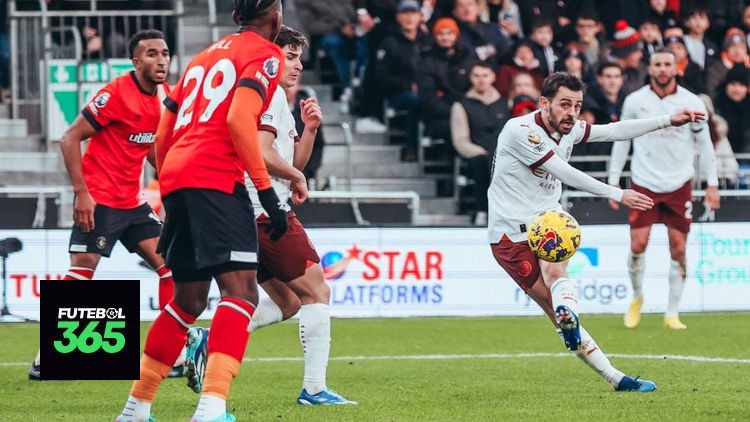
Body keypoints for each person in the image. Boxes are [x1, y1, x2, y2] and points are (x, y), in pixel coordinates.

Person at [113, 1, 289, 421]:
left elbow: (162, 132)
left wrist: (174, 180)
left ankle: (136, 408)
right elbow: (237, 120)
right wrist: (265, 191)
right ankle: (211, 408)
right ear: (276, 16)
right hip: (215, 178)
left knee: (188, 298)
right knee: (241, 292)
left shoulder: (203, 56)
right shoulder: (266, 53)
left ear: (234, 16)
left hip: (177, 177)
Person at [489, 71, 706, 392]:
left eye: (576, 105)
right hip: (511, 236)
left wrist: (667, 121)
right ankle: (592, 348)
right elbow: (563, 171)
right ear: (544, 103)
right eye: (564, 104)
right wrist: (617, 193)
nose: (571, 113)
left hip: (548, 221)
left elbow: (613, 130)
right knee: (552, 307)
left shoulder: (569, 129)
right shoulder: (521, 131)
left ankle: (581, 330)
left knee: (557, 274)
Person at [184, 25, 356, 406]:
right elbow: (263, 155)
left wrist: (309, 131)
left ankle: (210, 340)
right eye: (289, 56)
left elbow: (289, 160)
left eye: (299, 58)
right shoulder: (270, 93)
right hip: (265, 210)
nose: (296, 66)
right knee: (317, 291)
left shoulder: (269, 95)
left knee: (288, 303)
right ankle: (314, 389)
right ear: (268, 56)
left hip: (243, 210)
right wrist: (294, 175)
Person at [30, 29, 175, 381]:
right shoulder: (115, 95)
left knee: (171, 266)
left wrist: (172, 186)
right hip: (99, 200)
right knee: (83, 270)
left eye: (165, 53)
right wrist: (82, 193)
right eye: (152, 54)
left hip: (134, 203)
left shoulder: (165, 97)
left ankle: (173, 351)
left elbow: (153, 149)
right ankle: (44, 357)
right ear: (136, 61)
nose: (161, 60)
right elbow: (69, 138)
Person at [608, 48, 721, 330]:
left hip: (678, 184)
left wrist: (713, 184)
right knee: (637, 244)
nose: (661, 69)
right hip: (643, 182)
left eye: (667, 64)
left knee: (678, 249)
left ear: (677, 68)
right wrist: (613, 180)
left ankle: (672, 312)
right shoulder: (635, 101)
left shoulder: (691, 101)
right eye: (657, 64)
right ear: (650, 68)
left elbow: (705, 145)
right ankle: (636, 299)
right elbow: (622, 140)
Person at [450, 61, 509, 226]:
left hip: (503, 154)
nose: (481, 80)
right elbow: (460, 140)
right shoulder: (461, 105)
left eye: (485, 75)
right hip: (477, 154)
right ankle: (482, 210)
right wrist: (481, 152)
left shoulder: (506, 103)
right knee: (484, 163)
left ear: (493, 77)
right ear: (471, 78)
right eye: (476, 76)